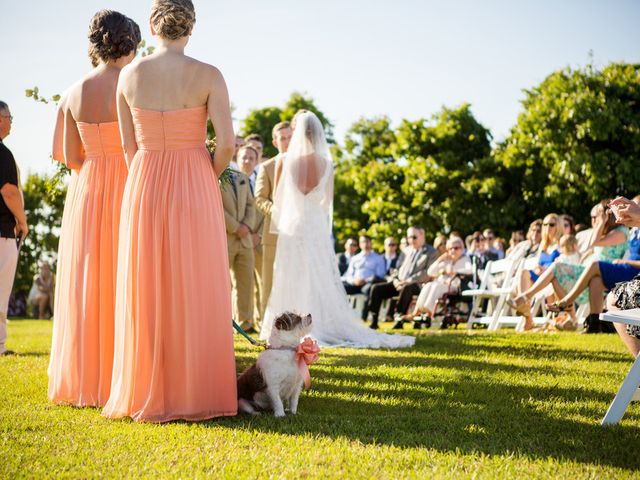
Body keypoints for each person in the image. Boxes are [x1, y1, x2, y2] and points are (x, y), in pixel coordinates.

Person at [103, 0, 237, 422]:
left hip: (143, 178)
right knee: (195, 278)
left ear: (152, 25)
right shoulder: (209, 74)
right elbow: (228, 145)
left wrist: (147, 177)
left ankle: (149, 385)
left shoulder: (129, 74)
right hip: (195, 177)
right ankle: (195, 388)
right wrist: (203, 174)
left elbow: (128, 147)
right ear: (191, 28)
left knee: (147, 281)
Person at [260, 111, 414, 348]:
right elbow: (326, 202)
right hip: (314, 225)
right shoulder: (327, 164)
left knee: (291, 274)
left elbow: (280, 202)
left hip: (294, 227)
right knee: (317, 275)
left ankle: (288, 325)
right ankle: (318, 322)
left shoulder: (284, 161)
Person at [48, 10, 140, 406]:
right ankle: (126, 375)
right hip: (128, 179)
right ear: (130, 43)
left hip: (87, 188)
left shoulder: (72, 92)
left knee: (89, 280)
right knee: (130, 278)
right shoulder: (135, 84)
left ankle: (88, 380)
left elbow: (67, 155)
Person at [512, 201, 628, 333]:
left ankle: (526, 297)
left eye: (596, 216)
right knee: (555, 278)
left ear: (608, 216)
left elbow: (594, 242)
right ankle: (571, 318)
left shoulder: (621, 232)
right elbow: (595, 247)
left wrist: (601, 222)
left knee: (556, 267)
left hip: (601, 275)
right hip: (589, 274)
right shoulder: (607, 233)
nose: (594, 220)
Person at [364, 226, 439, 329]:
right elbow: (397, 269)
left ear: (422, 236)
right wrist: (395, 280)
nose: (411, 240)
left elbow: (428, 272)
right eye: (409, 237)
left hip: (418, 285)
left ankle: (399, 318)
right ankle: (374, 320)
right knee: (376, 288)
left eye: (414, 237)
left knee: (407, 287)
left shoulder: (431, 252)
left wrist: (408, 281)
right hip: (399, 283)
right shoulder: (406, 251)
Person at [255, 121, 292, 317]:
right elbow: (259, 199)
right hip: (273, 233)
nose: (287, 142)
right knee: (269, 283)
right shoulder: (267, 167)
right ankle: (267, 325)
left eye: (290, 137)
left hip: (298, 234)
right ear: (275, 142)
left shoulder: (303, 165)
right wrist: (277, 211)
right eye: (282, 138)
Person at [0, 100, 28, 357]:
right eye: (9, 116)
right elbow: (9, 192)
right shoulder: (2, 153)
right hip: (2, 233)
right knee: (1, 290)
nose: (11, 121)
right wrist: (22, 221)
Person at [221, 155, 257, 332]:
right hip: (225, 239)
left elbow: (252, 205)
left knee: (246, 284)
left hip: (245, 241)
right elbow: (216, 207)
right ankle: (221, 321)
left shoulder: (242, 177)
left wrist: (247, 226)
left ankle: (245, 324)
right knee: (222, 284)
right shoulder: (213, 177)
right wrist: (235, 227)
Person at [402, 236, 472, 324]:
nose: (453, 250)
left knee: (436, 285)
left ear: (462, 249)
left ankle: (429, 313)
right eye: (450, 248)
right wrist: (439, 260)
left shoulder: (465, 259)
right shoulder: (447, 260)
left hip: (454, 286)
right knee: (428, 285)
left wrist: (454, 271)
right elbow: (430, 272)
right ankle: (417, 312)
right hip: (441, 284)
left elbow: (470, 270)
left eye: (456, 248)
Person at [342, 235, 385, 318]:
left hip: (368, 284)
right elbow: (349, 275)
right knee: (340, 287)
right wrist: (354, 281)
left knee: (370, 289)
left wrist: (366, 280)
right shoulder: (355, 258)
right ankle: (342, 314)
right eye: (362, 242)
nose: (365, 244)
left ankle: (364, 316)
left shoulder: (378, 258)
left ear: (371, 243)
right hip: (355, 284)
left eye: (367, 241)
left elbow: (380, 275)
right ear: (360, 244)